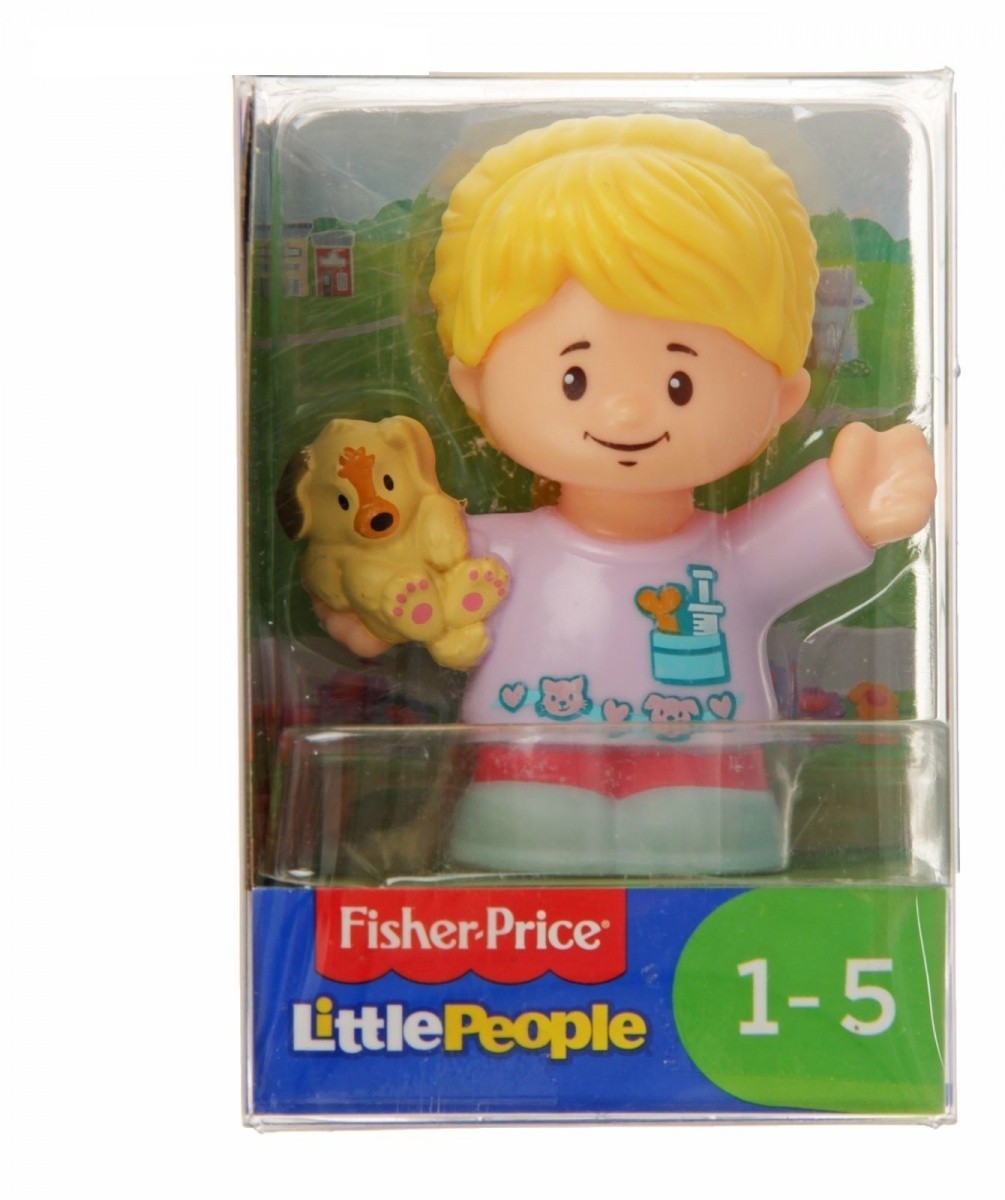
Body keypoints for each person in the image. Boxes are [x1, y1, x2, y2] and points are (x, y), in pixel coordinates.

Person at [321, 114, 935, 874]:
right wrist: (370, 603)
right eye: (574, 377)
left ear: (782, 395)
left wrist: (857, 499)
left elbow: (804, 534)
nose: (626, 414)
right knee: (527, 838)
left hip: (706, 760)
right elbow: (416, 584)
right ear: (474, 386)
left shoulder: (733, 555)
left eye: (680, 381)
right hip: (529, 752)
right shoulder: (495, 548)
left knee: (695, 839)